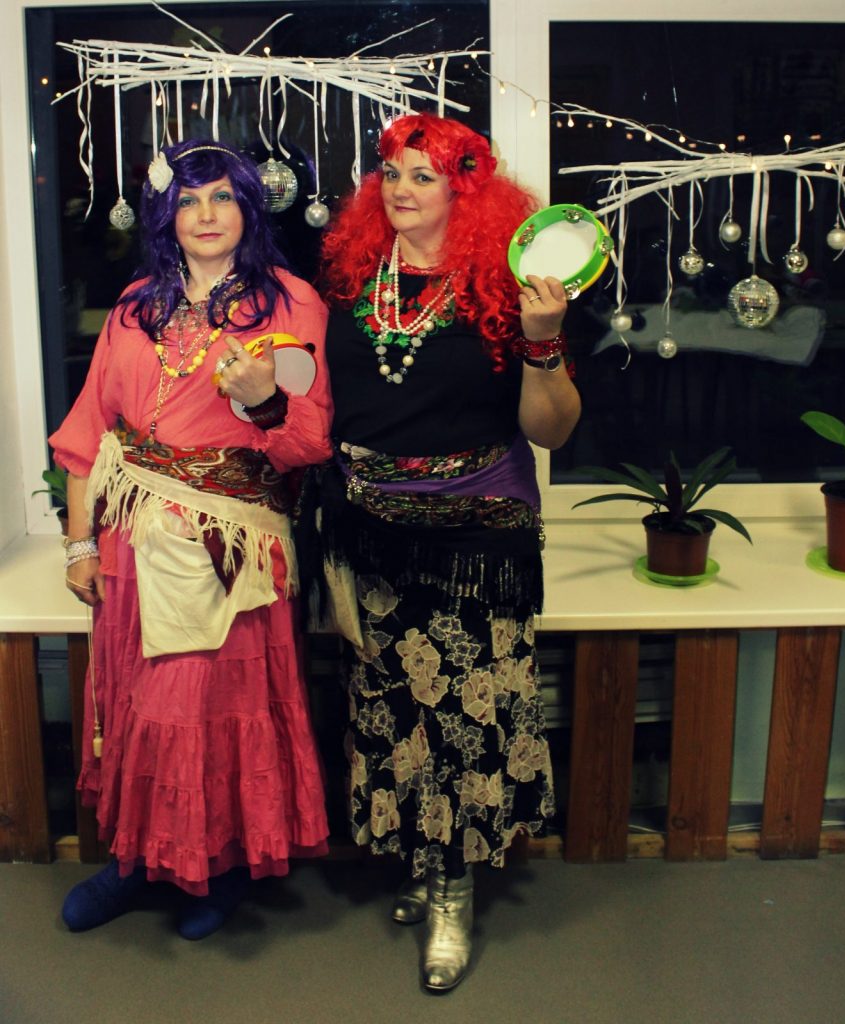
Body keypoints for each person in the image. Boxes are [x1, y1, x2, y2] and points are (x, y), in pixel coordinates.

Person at [308, 112, 581, 990]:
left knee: (465, 713)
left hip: (474, 536)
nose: (399, 188)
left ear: (467, 192)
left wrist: (543, 343)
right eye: (390, 171)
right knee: (390, 709)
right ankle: (422, 858)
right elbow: (322, 406)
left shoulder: (508, 288)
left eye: (422, 175)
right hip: (370, 533)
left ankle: (453, 889)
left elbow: (551, 431)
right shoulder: (354, 281)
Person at [49, 139, 333, 940]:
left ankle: (220, 867)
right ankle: (135, 862)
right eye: (188, 200)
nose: (205, 215)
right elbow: (88, 433)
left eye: (223, 198)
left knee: (210, 710)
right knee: (138, 707)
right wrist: (78, 543)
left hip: (230, 547)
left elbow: (309, 444)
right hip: (133, 541)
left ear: (249, 208)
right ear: (166, 216)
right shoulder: (136, 304)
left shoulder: (290, 303)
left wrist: (265, 402)